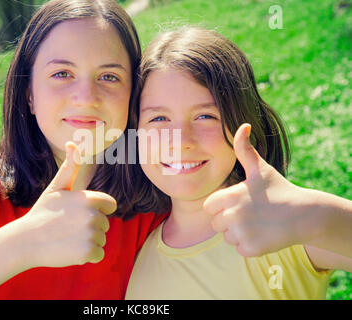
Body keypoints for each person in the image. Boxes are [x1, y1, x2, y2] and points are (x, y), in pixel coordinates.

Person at [0, 0, 167, 299]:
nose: (86, 97)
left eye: (109, 77)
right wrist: (26, 242)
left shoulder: (158, 203)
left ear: (133, 94)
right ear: (29, 94)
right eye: (62, 74)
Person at [125, 27, 352, 299]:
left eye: (206, 116)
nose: (181, 140)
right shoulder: (135, 252)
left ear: (243, 119)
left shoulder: (283, 225)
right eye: (159, 119)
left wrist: (315, 215)